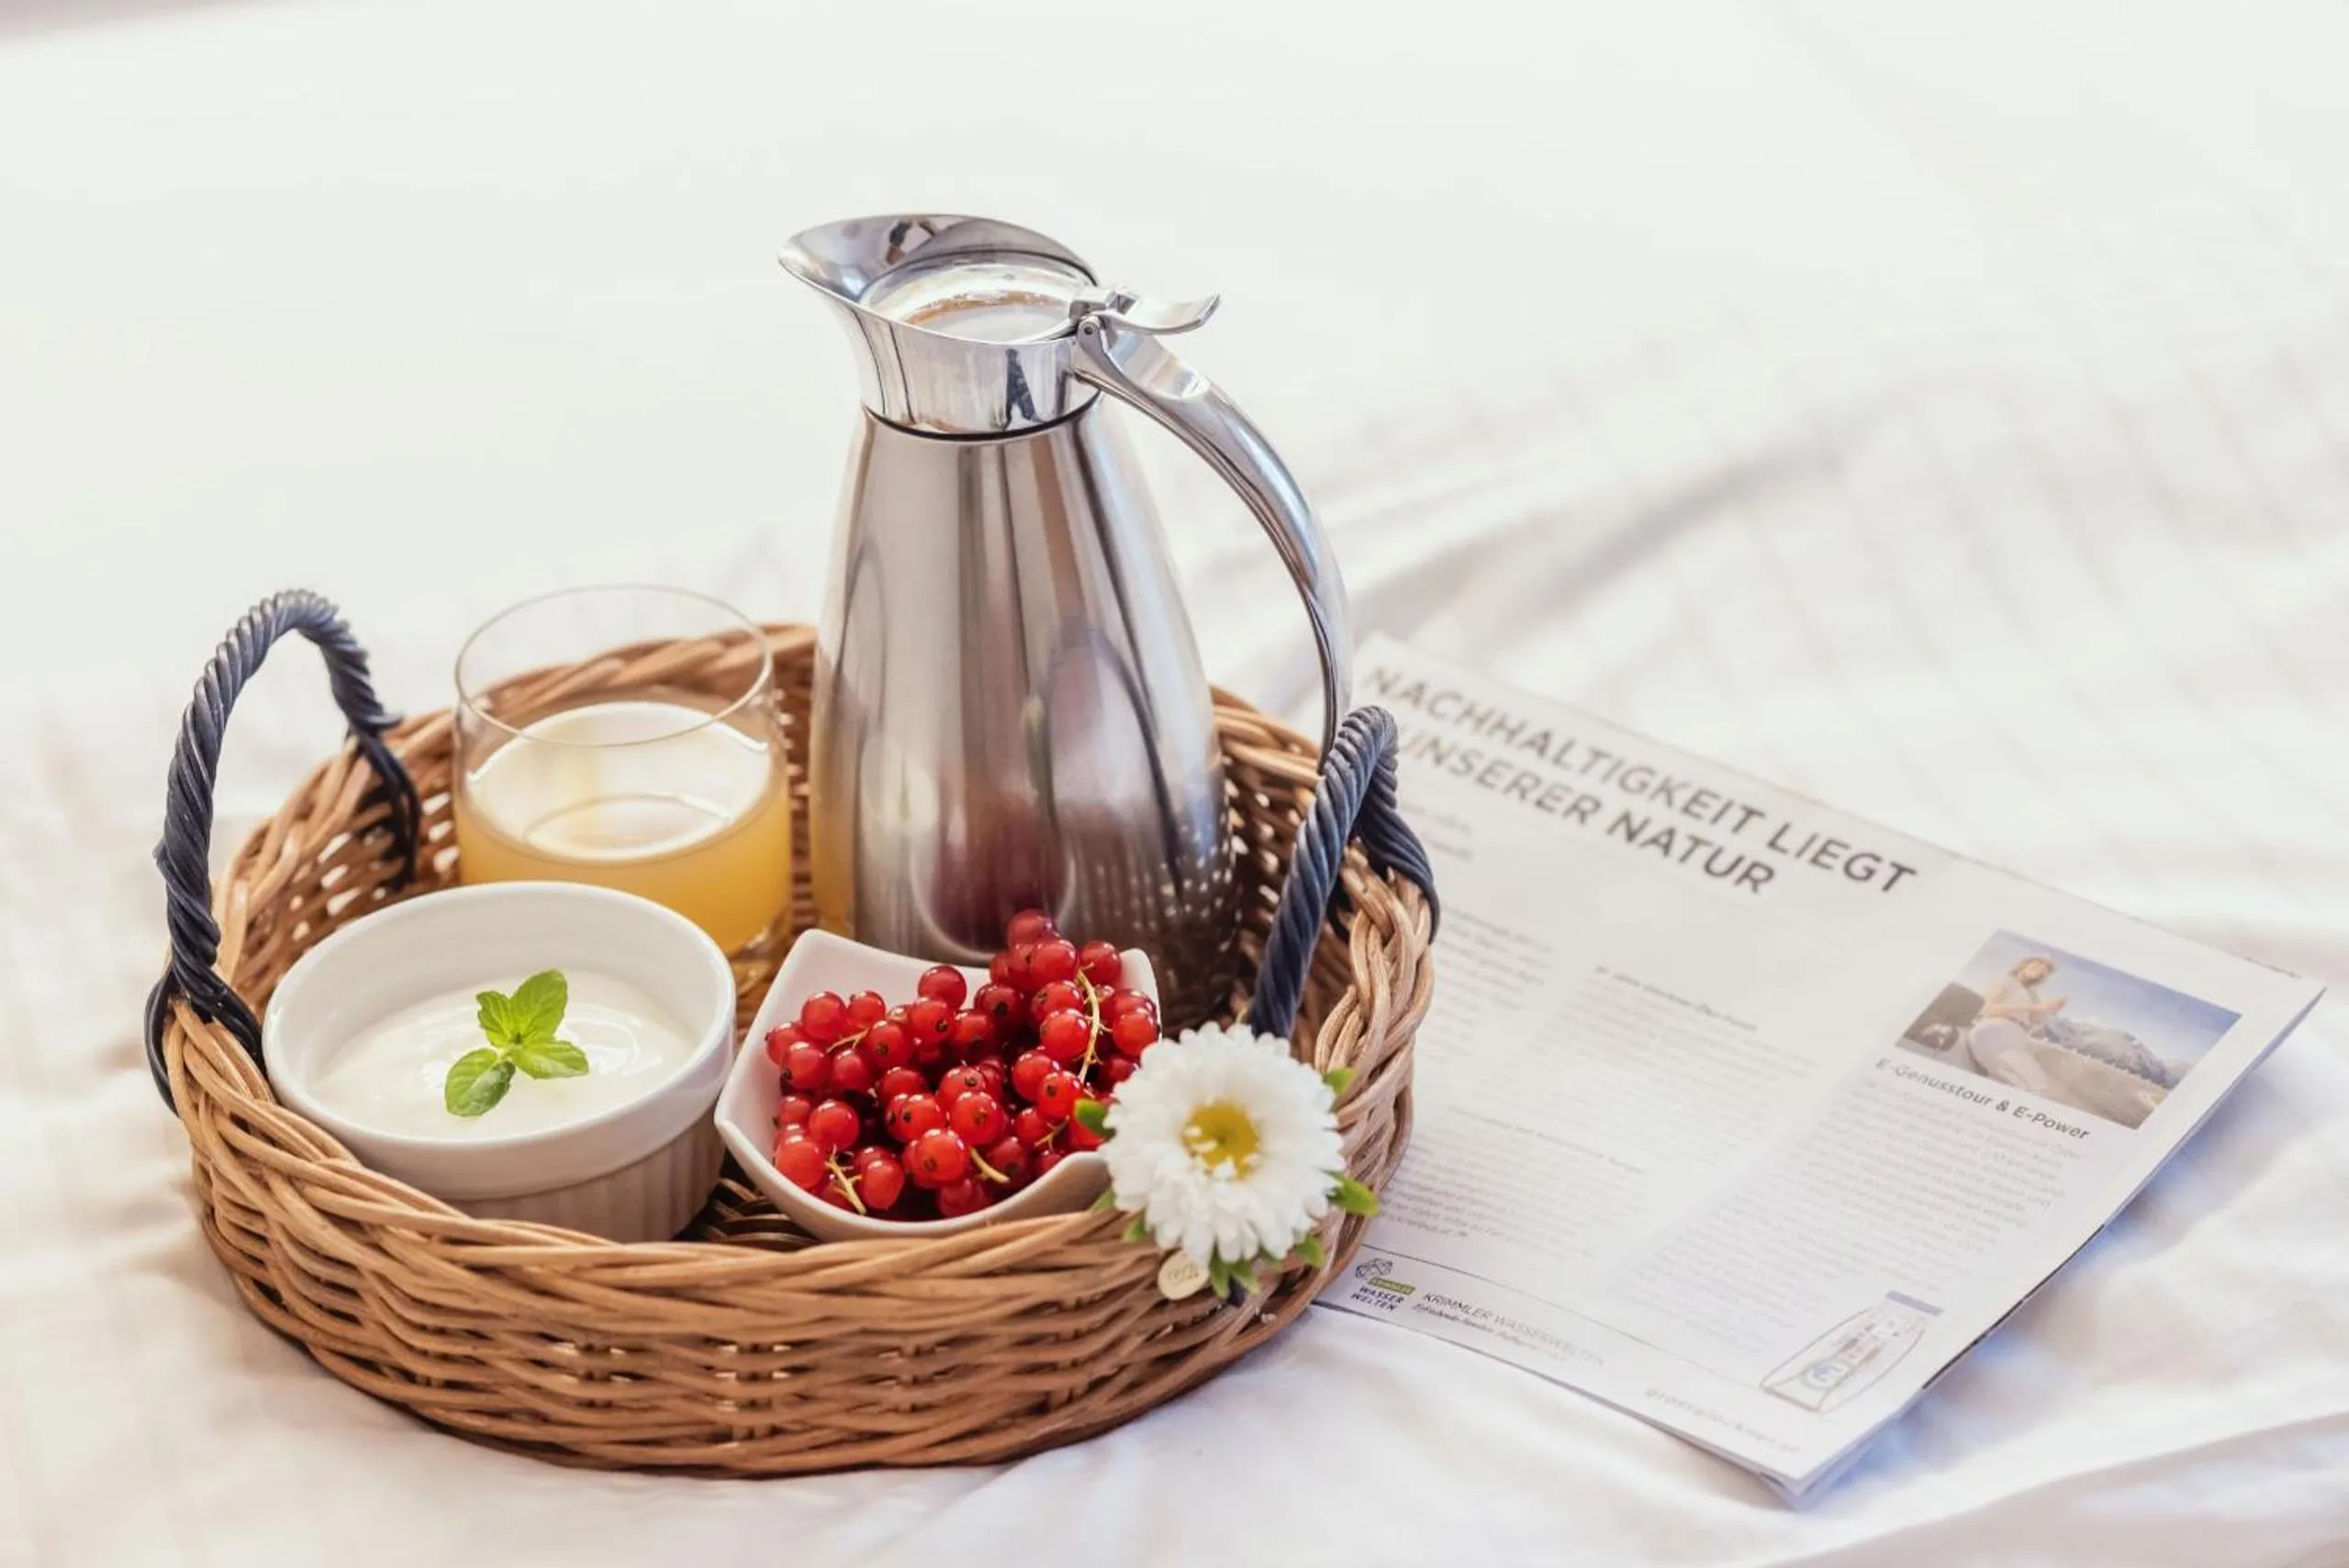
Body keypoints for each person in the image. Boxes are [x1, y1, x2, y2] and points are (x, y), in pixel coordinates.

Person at [1965, 957, 2066, 1093]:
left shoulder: (2033, 996)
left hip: (2016, 1038)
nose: (2042, 968)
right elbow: (1986, 1009)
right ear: (2023, 966)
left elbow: (2036, 1021)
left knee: (2035, 1085)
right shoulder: (2006, 983)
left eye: (2046, 970)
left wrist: (2050, 1009)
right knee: (2036, 1086)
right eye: (2037, 964)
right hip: (1995, 1031)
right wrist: (2036, 1008)